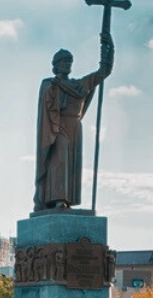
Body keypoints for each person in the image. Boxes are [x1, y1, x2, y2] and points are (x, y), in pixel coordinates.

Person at [33, 32, 113, 212]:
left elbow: (104, 72)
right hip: (56, 127)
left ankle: (68, 200)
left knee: (72, 164)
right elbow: (47, 102)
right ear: (56, 65)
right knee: (59, 159)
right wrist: (54, 88)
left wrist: (109, 47)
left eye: (69, 61)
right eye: (63, 61)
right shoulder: (49, 83)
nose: (67, 64)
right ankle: (58, 199)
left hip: (75, 127)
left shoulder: (80, 85)